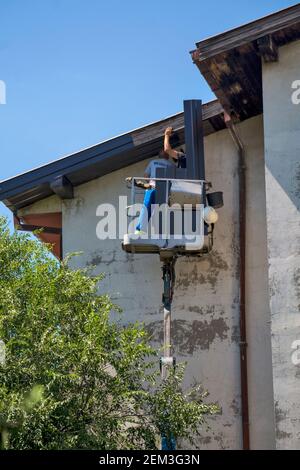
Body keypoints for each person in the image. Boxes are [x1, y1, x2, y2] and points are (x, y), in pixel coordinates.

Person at [130, 127, 186, 234]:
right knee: (155, 209)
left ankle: (141, 230)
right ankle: (145, 230)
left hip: (156, 188)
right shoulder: (170, 164)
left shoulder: (155, 162)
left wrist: (148, 184)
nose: (163, 151)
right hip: (164, 190)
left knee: (148, 207)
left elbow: (146, 176)